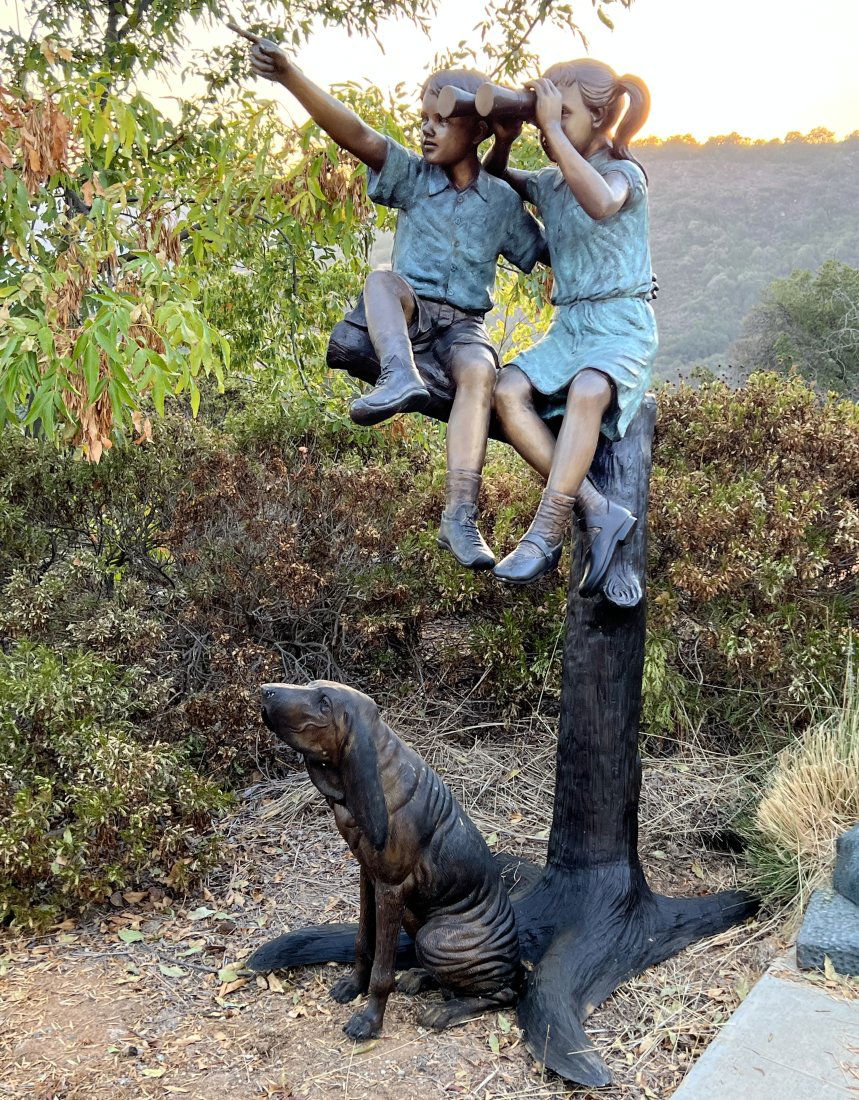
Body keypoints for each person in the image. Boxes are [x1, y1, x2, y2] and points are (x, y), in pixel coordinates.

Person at [243, 33, 546, 570]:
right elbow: (354, 131)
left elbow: (549, 250)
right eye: (423, 116)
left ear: (476, 130)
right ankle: (398, 375)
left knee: (479, 370)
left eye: (441, 119)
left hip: (463, 327)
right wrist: (289, 74)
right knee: (382, 281)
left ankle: (459, 515)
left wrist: (628, 274)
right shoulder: (411, 176)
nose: (426, 128)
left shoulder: (500, 201)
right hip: (412, 309)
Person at [483, 60, 658, 587]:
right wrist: (508, 138)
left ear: (601, 116)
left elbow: (602, 204)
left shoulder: (623, 173)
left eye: (564, 114)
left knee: (588, 389)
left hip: (621, 323)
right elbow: (493, 182)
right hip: (570, 327)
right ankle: (597, 507)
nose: (548, 124)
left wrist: (553, 130)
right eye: (545, 116)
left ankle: (547, 530)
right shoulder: (552, 181)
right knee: (507, 390)